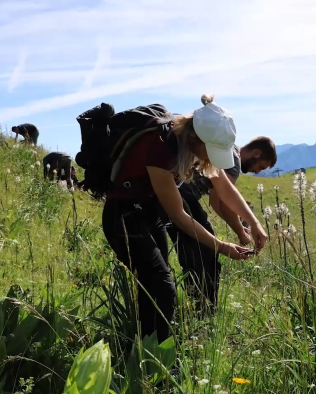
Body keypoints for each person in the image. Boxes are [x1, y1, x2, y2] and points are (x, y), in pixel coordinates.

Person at [101, 95, 267, 340]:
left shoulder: (190, 142)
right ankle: (151, 354)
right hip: (124, 216)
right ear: (193, 139)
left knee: (157, 283)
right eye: (211, 152)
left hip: (148, 212)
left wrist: (254, 223)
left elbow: (223, 186)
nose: (211, 159)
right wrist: (221, 246)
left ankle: (145, 342)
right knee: (160, 286)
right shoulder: (160, 147)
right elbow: (178, 215)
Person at [170, 137, 277, 314]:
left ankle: (197, 304)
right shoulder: (232, 161)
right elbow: (222, 202)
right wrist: (241, 233)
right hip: (183, 195)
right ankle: (203, 309)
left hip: (178, 192)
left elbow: (217, 202)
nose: (257, 171)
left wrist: (240, 227)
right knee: (205, 251)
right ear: (256, 153)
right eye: (261, 166)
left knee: (198, 250)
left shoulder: (229, 151)